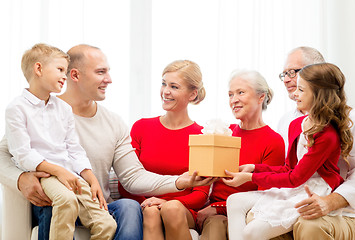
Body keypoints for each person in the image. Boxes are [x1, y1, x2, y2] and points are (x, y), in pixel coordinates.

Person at [0, 44, 213, 240]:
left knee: (129, 207)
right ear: (75, 75)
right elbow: (6, 154)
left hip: (95, 204)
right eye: (101, 72)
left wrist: (179, 182)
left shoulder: (113, 122)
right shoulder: (38, 111)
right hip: (56, 200)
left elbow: (132, 177)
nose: (109, 79)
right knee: (59, 206)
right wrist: (20, 178)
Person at [225, 63, 354, 240]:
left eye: (301, 90)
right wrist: (255, 168)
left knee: (251, 233)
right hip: (294, 186)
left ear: (318, 95)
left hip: (313, 190)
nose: (294, 94)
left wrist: (250, 177)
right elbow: (288, 168)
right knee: (234, 201)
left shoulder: (327, 135)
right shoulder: (295, 125)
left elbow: (295, 178)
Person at [5, 43, 117, 240]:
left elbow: (74, 148)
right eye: (60, 70)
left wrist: (90, 178)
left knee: (106, 224)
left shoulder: (63, 108)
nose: (65, 76)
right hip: (46, 175)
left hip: (70, 174)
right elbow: (22, 153)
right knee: (66, 201)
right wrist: (58, 171)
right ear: (38, 69)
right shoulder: (16, 109)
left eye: (65, 71)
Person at [118, 60, 211, 240]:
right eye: (163, 84)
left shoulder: (202, 135)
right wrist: (147, 204)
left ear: (192, 95)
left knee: (171, 209)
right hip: (146, 207)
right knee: (151, 213)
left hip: (183, 209)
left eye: (174, 86)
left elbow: (200, 194)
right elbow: (125, 182)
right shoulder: (141, 127)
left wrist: (166, 202)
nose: (165, 91)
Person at [277, 47, 355, 240]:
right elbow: (288, 169)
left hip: (343, 210)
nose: (287, 80)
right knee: (254, 218)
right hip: (296, 202)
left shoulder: (353, 119)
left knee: (310, 226)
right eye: (284, 74)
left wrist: (331, 202)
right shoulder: (287, 121)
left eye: (293, 72)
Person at [195, 70, 285, 240]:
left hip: (242, 213)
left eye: (240, 92)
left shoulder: (273, 141)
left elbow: (265, 196)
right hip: (211, 209)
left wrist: (218, 208)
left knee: (216, 224)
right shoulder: (224, 133)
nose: (233, 100)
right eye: (230, 94)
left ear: (261, 97)